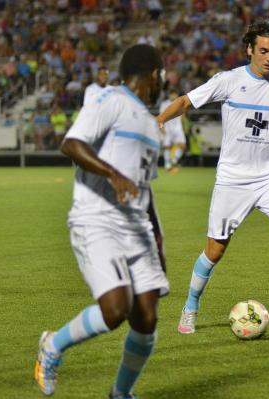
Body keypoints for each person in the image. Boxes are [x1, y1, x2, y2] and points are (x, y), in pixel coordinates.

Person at [156, 21, 269, 339]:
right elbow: (187, 101)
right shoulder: (228, 81)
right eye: (263, 51)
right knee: (215, 251)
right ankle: (190, 307)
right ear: (249, 49)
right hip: (233, 179)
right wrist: (160, 119)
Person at [34, 44, 169, 399]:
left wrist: (157, 235)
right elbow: (72, 144)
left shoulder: (151, 125)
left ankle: (120, 394)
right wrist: (113, 175)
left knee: (147, 319)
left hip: (137, 226)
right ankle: (53, 345)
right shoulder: (110, 100)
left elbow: (144, 188)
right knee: (115, 310)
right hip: (96, 218)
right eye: (162, 75)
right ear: (153, 75)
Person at [159, 89, 187, 174]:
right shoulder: (164, 104)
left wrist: (184, 125)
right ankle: (167, 164)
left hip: (178, 128)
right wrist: (162, 128)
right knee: (167, 147)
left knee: (183, 145)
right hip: (168, 128)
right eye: (172, 94)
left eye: (175, 94)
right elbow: (161, 116)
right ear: (169, 95)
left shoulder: (179, 102)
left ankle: (174, 160)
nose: (173, 96)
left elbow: (183, 115)